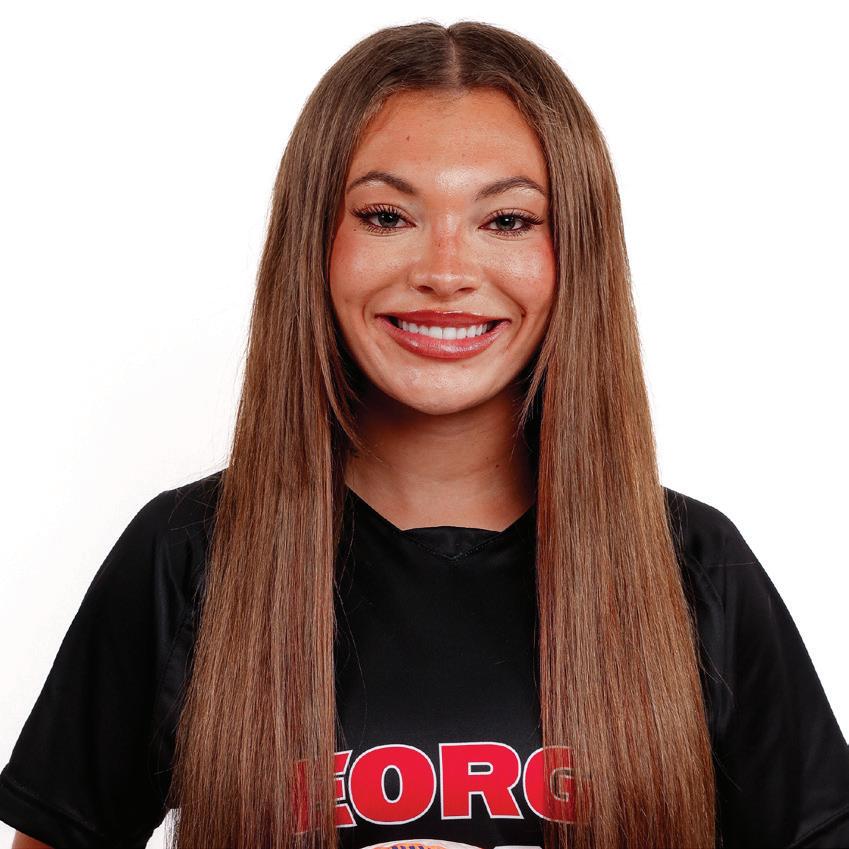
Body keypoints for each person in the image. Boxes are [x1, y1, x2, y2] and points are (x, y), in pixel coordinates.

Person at [2, 19, 848, 849]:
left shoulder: (691, 565)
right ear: (316, 245)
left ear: (575, 255)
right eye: (385, 216)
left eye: (506, 221)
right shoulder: (187, 555)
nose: (445, 272)